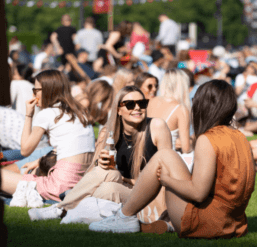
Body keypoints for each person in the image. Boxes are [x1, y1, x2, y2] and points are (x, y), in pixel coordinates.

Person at [88, 80, 256, 238]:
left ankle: (124, 217)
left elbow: (198, 193)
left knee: (163, 156)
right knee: (168, 156)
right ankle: (164, 223)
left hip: (208, 223)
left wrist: (166, 180)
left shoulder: (208, 139)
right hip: (235, 223)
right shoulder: (240, 137)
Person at [27, 86, 172, 221]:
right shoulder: (108, 132)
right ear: (118, 110)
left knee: (108, 179)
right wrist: (100, 163)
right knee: (105, 182)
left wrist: (125, 179)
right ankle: (71, 210)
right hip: (120, 189)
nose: (137, 108)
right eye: (130, 104)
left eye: (142, 103)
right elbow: (93, 170)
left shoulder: (156, 127)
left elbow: (167, 175)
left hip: (147, 194)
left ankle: (62, 208)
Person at [1, 70, 95, 207]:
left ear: (47, 90)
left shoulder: (47, 114)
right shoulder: (79, 113)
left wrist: (29, 115)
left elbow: (25, 150)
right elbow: (70, 147)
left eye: (36, 90)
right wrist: (39, 160)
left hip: (60, 186)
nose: (33, 95)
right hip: (80, 184)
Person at [147, 69, 191, 154]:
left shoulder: (151, 101)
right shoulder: (180, 109)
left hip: (148, 155)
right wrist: (193, 143)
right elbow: (186, 148)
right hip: (167, 158)